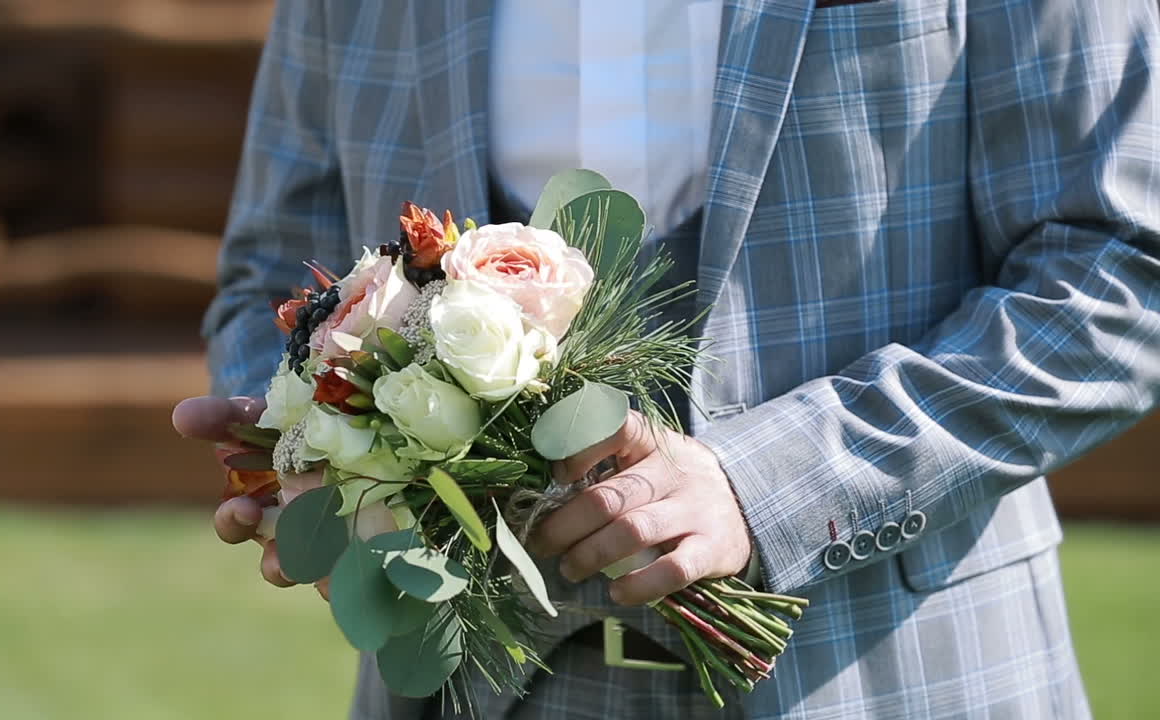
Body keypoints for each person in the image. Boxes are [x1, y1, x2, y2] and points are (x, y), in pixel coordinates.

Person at [173, 0, 1160, 717]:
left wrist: (773, 479)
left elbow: (1121, 266)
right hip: (464, 691)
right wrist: (304, 451)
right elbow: (277, 267)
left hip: (888, 679)